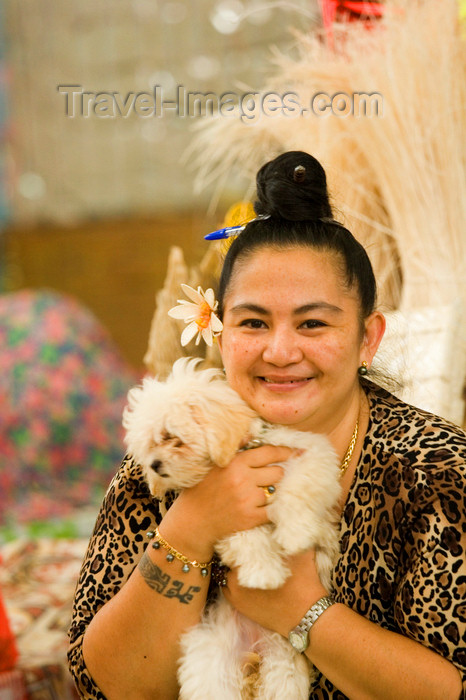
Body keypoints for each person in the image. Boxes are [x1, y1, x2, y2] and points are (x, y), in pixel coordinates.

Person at [68, 151, 466, 699]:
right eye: (253, 322)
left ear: (367, 339)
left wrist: (304, 611)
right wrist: (193, 524)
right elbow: (105, 685)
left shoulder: (436, 472)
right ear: (221, 332)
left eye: (313, 323)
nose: (280, 351)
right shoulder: (168, 453)